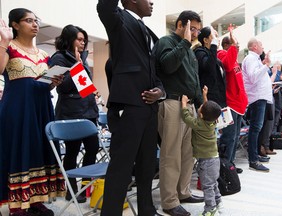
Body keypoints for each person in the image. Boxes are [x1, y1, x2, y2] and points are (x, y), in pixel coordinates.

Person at [97, 0, 165, 215]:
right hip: (128, 107)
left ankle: (147, 209)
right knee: (121, 169)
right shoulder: (118, 19)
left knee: (147, 165)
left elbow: (156, 73)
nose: (152, 2)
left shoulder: (148, 32)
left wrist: (161, 92)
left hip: (150, 108)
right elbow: (105, 7)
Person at [0, 8, 65, 216]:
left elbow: (43, 85)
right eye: (29, 21)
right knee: (19, 151)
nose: (35, 24)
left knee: (39, 151)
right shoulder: (8, 47)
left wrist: (53, 83)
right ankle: (17, 204)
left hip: (42, 108)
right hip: (17, 110)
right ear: (16, 25)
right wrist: (3, 41)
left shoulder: (44, 55)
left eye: (36, 20)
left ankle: (35, 199)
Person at [155, 10, 204, 216]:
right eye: (192, 29)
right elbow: (167, 66)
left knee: (187, 153)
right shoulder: (166, 41)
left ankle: (183, 191)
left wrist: (200, 103)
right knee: (171, 155)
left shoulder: (190, 50)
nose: (195, 34)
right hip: (172, 103)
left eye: (198, 30)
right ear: (181, 25)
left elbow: (194, 79)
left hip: (189, 104)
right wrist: (184, 42)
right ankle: (169, 201)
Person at [49, 24, 100, 203]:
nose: (83, 43)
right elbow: (63, 87)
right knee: (72, 151)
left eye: (84, 40)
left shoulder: (81, 58)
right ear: (69, 40)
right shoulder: (59, 58)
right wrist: (78, 66)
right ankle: (72, 188)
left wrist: (92, 91)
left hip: (88, 109)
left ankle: (87, 185)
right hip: (71, 111)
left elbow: (84, 85)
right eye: (79, 39)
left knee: (93, 148)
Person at [181, 86, 222, 216]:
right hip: (215, 159)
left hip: (206, 162)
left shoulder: (199, 125)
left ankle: (210, 208)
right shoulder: (213, 120)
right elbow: (207, 107)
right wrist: (205, 96)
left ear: (201, 114)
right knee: (213, 183)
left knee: (207, 186)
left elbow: (187, 118)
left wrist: (183, 104)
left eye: (200, 108)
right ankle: (217, 201)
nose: (200, 107)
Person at [217, 29, 248, 173]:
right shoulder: (222, 54)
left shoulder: (234, 59)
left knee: (235, 138)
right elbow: (227, 66)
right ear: (227, 45)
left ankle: (230, 164)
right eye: (235, 44)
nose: (237, 47)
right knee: (228, 138)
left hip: (238, 104)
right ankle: (224, 167)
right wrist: (233, 48)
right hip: (230, 104)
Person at [241, 38, 273, 172]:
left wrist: (264, 64)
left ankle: (256, 156)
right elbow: (254, 78)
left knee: (257, 129)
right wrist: (266, 65)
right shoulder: (250, 59)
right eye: (260, 44)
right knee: (255, 129)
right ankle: (253, 160)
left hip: (260, 97)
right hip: (256, 98)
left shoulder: (255, 60)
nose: (262, 46)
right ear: (254, 47)